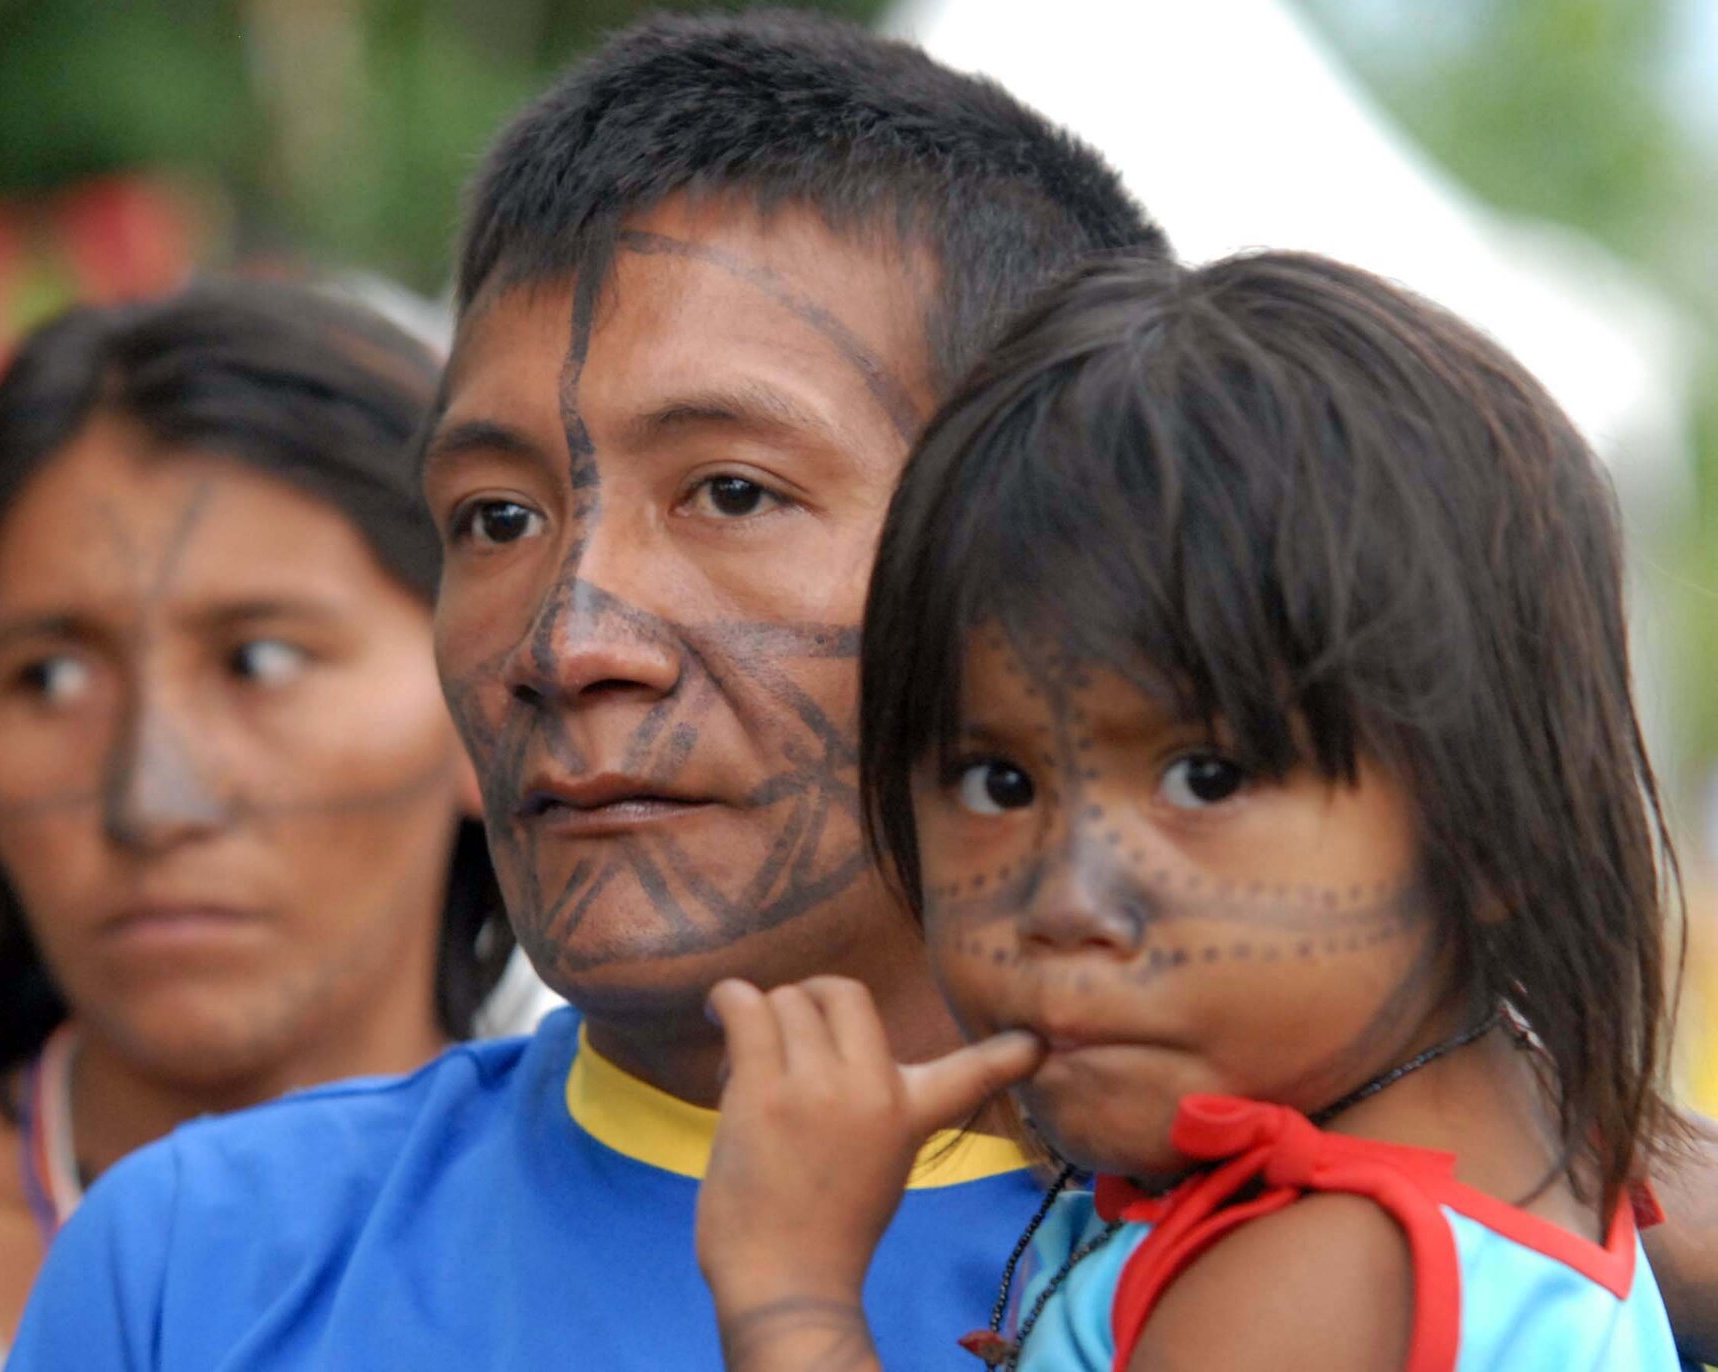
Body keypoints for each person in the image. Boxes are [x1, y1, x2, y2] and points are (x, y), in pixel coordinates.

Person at [8, 12, 1718, 1368]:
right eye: (496, 517)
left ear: (1038, 529)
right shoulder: (198, 1265)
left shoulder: (1411, 1236)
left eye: (735, 491)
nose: (568, 632)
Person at [696, 250, 1686, 1370]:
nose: (1067, 899)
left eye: (1205, 779)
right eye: (997, 784)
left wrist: (792, 1289)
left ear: (1500, 825)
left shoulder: (1313, 1277)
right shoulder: (1520, 1131)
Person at [0, 279, 539, 1371]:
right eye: (49, 677)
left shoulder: (695, 1235)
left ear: (490, 699)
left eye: (262, 660)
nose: (153, 802)